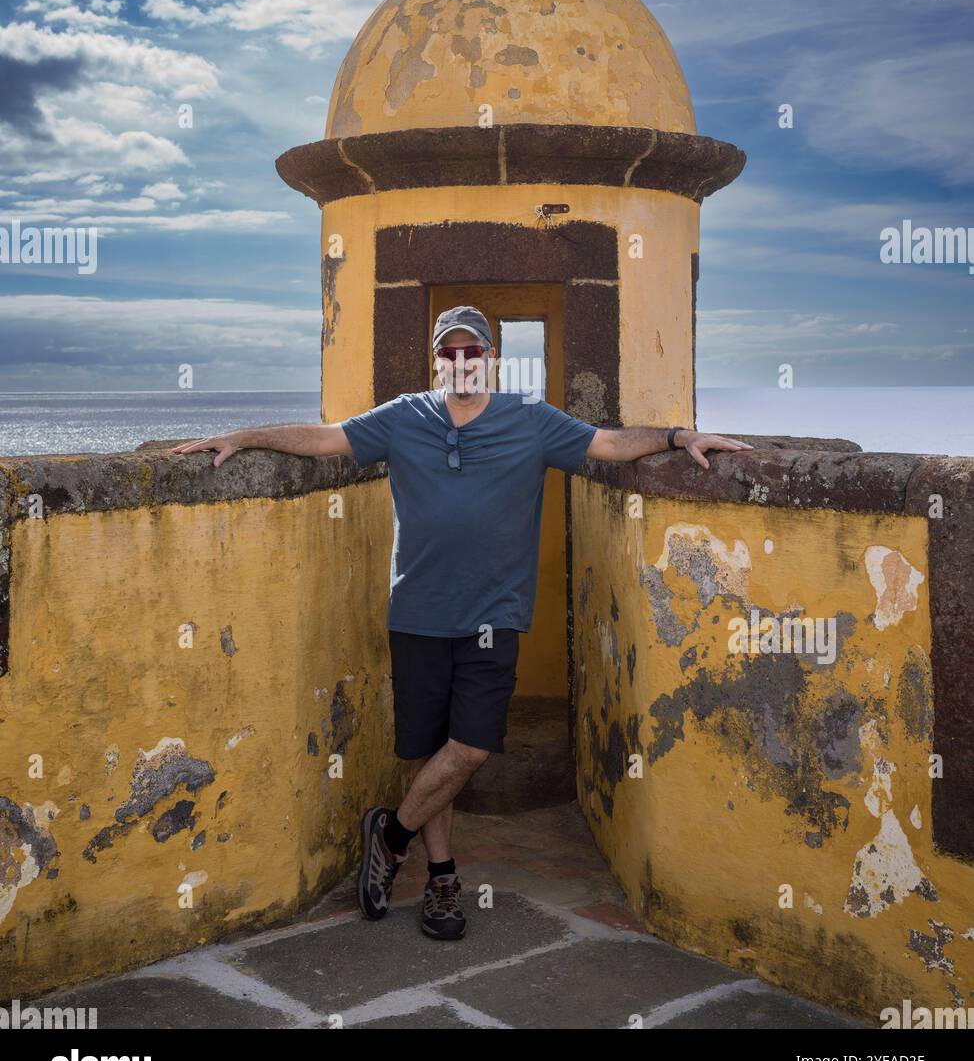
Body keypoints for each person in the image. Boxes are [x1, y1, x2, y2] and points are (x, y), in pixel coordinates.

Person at [171, 305, 752, 941]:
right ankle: (442, 876)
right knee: (425, 752)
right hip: (416, 612)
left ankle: (389, 837)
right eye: (449, 352)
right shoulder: (404, 417)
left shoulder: (530, 420)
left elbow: (608, 444)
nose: (461, 362)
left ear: (492, 358)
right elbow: (326, 437)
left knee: (470, 747)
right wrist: (244, 436)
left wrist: (678, 436)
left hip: (491, 617)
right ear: (437, 361)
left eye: (473, 351)